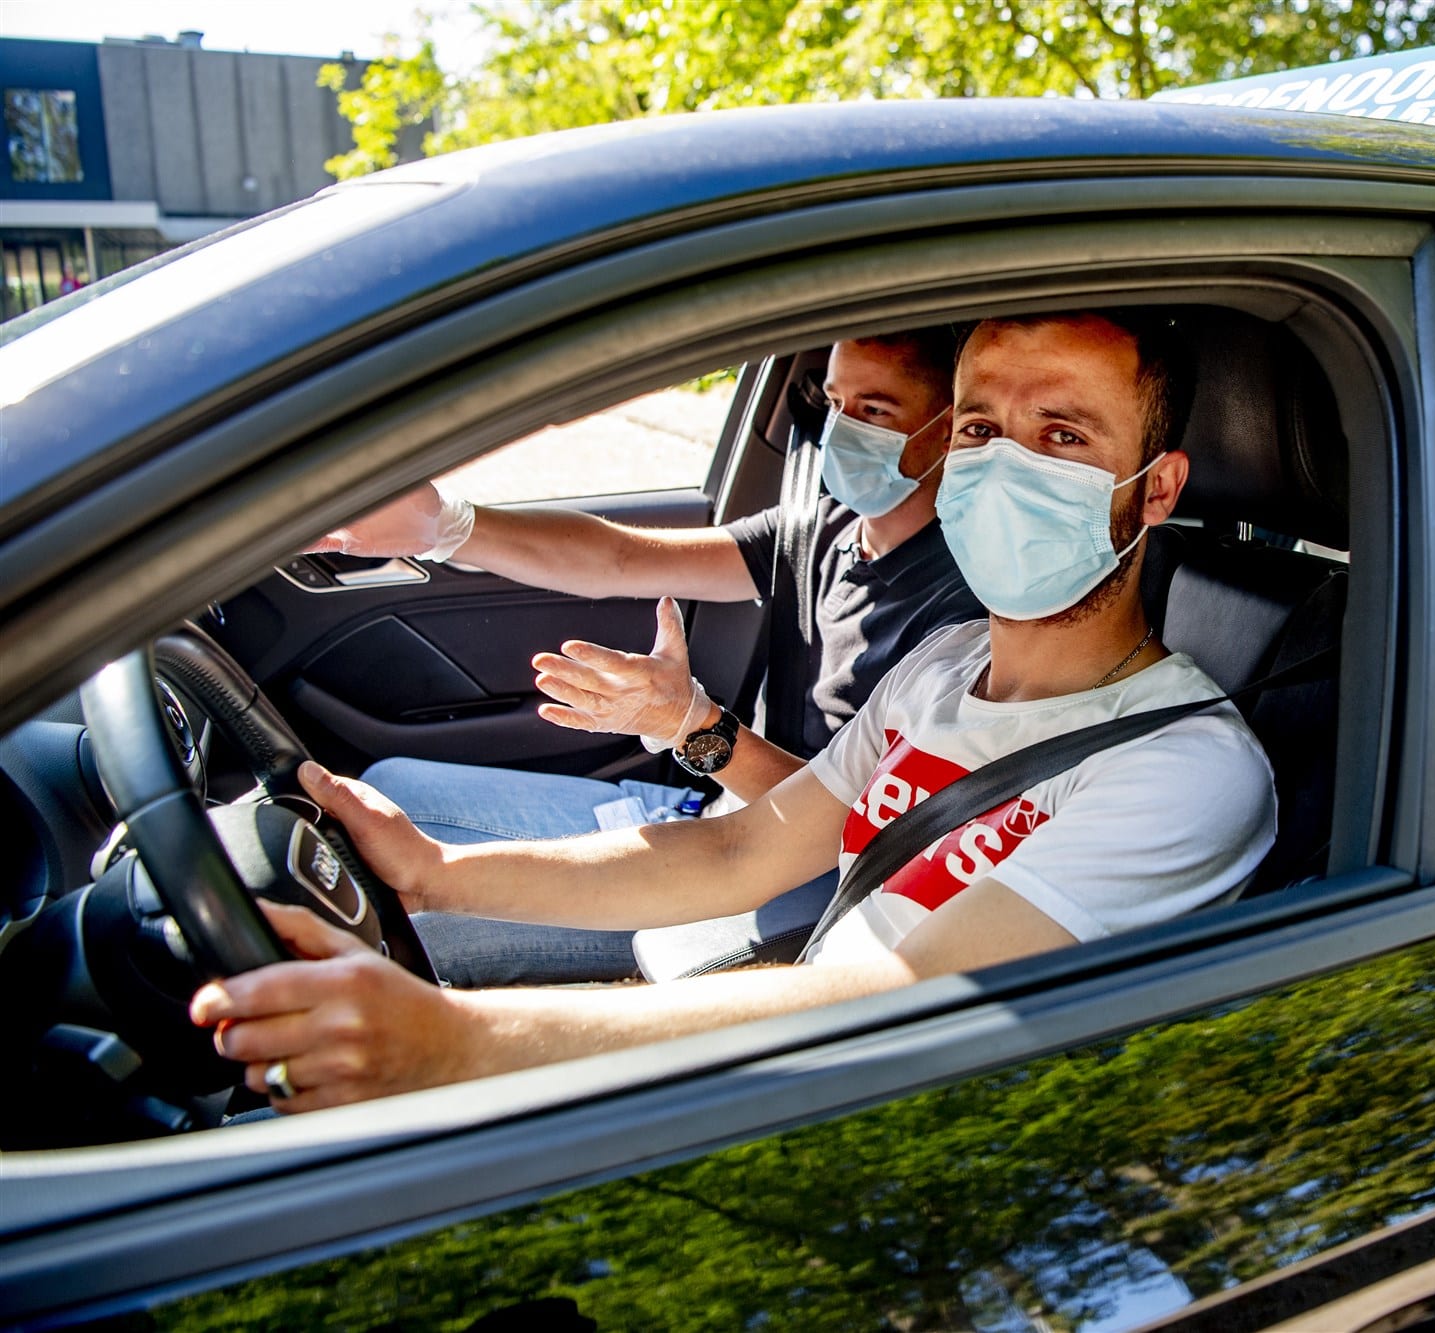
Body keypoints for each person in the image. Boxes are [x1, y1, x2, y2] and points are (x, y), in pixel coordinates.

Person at [192, 310, 1278, 1112]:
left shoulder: (1182, 770)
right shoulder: (946, 665)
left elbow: (881, 997)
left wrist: (461, 1044)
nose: (1004, 470)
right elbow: (736, 854)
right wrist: (434, 869)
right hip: (800, 1063)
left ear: (1160, 487)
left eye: (1065, 439)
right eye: (986, 429)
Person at [313, 330, 985, 984]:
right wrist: (447, 525)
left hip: (779, 876)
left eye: (874, 411)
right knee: (393, 781)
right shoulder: (828, 530)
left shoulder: (960, 609)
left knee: (383, 919)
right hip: (708, 814)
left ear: (949, 426)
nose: (842, 431)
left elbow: (851, 818)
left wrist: (697, 729)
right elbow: (621, 556)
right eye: (833, 402)